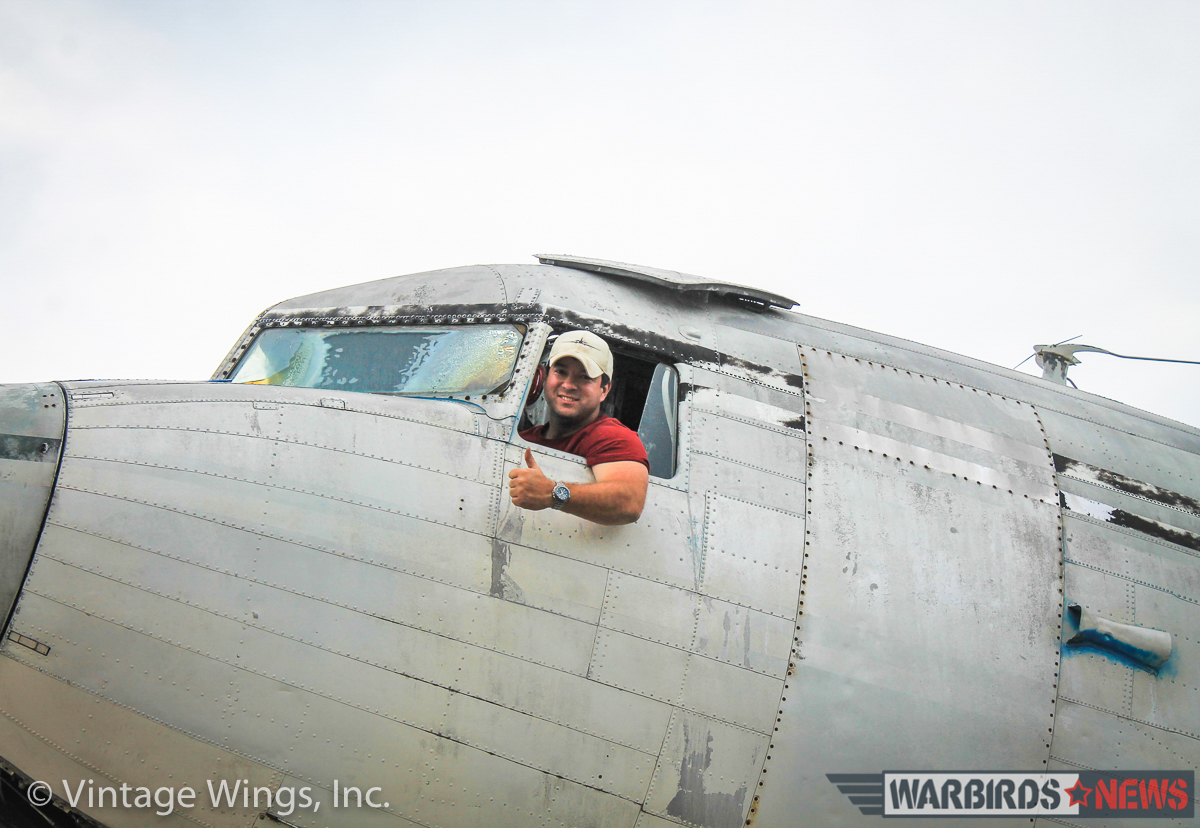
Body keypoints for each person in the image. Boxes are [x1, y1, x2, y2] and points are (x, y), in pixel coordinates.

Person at [509, 331, 649, 525]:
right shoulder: (525, 438)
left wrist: (551, 493)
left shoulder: (613, 437)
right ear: (545, 377)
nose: (568, 385)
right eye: (560, 372)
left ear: (604, 390)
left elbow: (629, 503)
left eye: (585, 377)